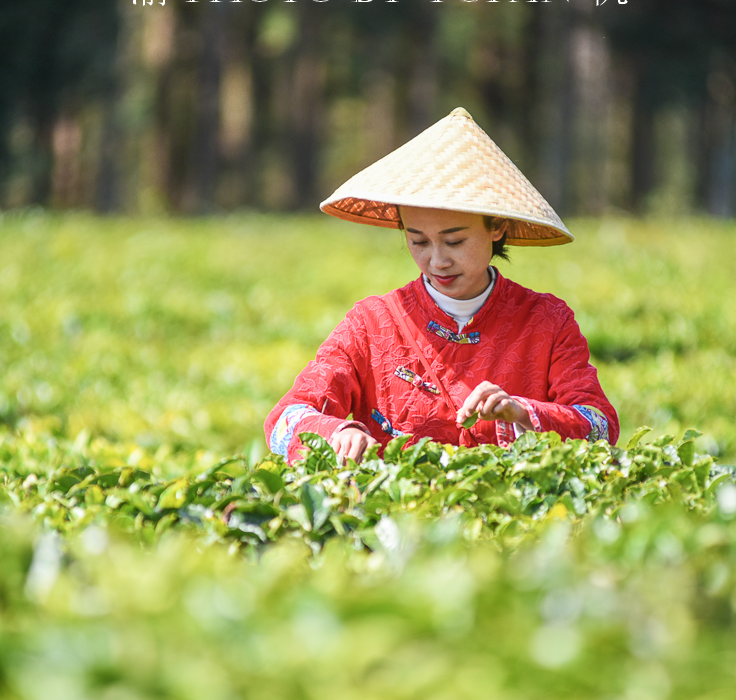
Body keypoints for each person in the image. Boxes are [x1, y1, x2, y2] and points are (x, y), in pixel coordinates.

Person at [265, 108, 618, 464]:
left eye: (454, 242)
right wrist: (336, 433)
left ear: (496, 227)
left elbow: (599, 424)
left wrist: (523, 413)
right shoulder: (371, 324)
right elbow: (284, 420)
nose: (437, 261)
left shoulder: (547, 320)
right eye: (419, 242)